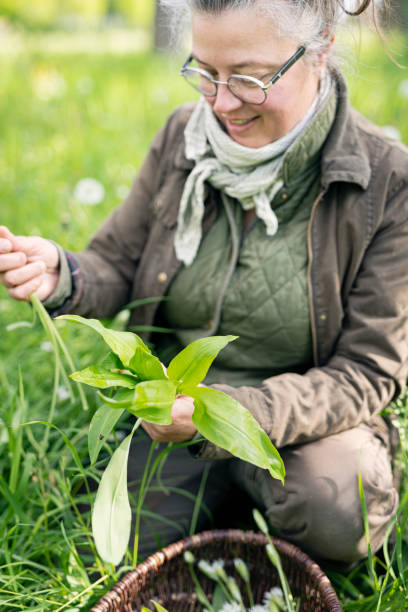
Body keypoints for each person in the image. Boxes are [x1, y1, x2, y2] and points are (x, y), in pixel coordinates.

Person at [1, 0, 407, 568]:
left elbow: (367, 372)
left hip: (305, 422)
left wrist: (228, 415)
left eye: (247, 78)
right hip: (176, 416)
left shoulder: (386, 182)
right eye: (205, 72)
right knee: (121, 548)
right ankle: (231, 516)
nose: (220, 102)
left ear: (320, 49)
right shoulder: (182, 139)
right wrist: (61, 273)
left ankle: (275, 524)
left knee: (340, 505)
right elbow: (118, 262)